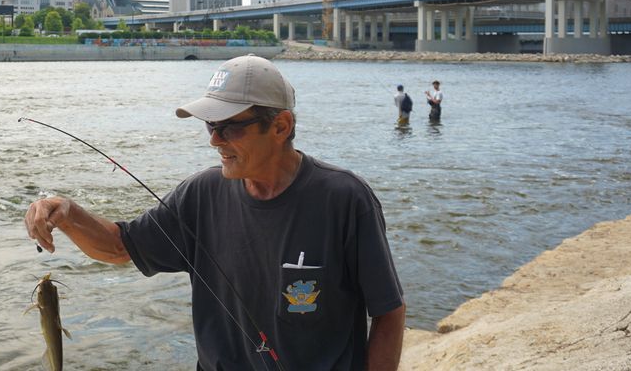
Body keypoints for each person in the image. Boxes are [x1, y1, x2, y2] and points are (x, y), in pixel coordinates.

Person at [25, 55, 405, 370]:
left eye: (229, 127)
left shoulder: (345, 199)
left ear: (280, 126)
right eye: (210, 125)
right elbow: (119, 247)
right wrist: (68, 214)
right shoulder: (200, 194)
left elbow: (388, 311)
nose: (214, 140)